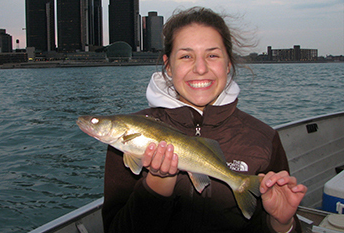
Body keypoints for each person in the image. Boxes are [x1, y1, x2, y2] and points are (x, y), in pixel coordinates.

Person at [102, 7, 307, 233]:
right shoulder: (126, 141)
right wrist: (157, 185)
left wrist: (282, 223)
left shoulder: (264, 138)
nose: (200, 69)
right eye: (186, 56)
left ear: (228, 63)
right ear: (168, 66)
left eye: (212, 55)